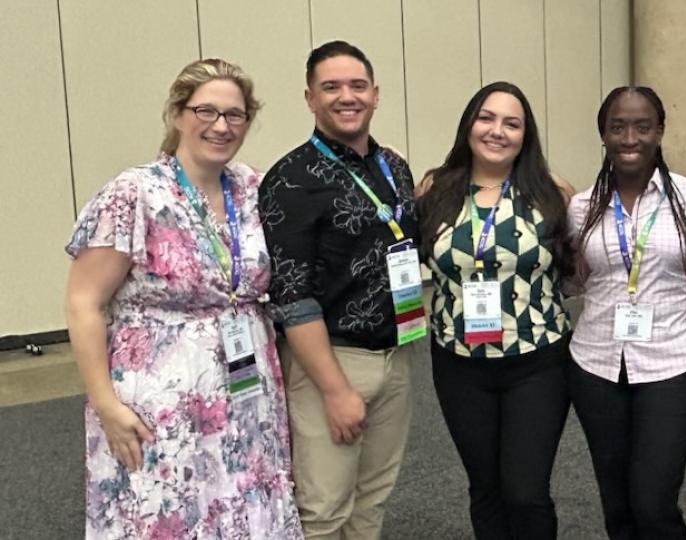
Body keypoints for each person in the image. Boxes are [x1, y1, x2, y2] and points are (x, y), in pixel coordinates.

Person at [64, 58, 301, 539]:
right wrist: (106, 405)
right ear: (177, 114)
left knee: (246, 504)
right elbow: (83, 302)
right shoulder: (134, 193)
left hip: (246, 388)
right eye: (205, 111)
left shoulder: (254, 188)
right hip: (160, 401)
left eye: (234, 114)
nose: (221, 126)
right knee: (168, 512)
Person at [259, 40, 421, 539]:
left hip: (396, 355)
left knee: (372, 498)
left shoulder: (393, 166)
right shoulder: (291, 179)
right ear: (310, 98)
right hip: (332, 361)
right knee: (324, 509)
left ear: (375, 94)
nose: (346, 97)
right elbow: (292, 296)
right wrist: (334, 390)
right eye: (331, 87)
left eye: (357, 86)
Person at [566, 86, 686, 540]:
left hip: (673, 366)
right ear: (603, 134)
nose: (629, 138)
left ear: (659, 131)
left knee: (653, 503)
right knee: (617, 505)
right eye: (617, 127)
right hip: (596, 366)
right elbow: (573, 282)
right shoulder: (582, 206)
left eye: (642, 126)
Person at [416, 81, 576, 539]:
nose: (497, 131)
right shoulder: (434, 190)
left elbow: (577, 270)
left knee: (526, 492)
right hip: (459, 362)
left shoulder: (553, 193)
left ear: (526, 135)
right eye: (486, 118)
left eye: (512, 123)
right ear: (468, 124)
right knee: (485, 489)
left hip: (537, 361)